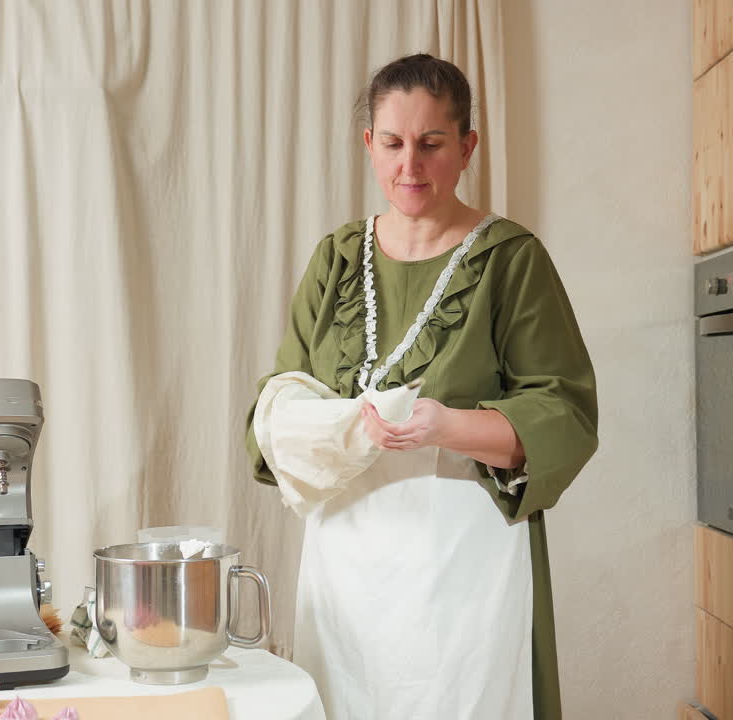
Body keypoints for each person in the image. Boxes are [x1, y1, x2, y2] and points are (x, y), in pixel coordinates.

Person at [245, 53, 597, 720]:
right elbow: (278, 403)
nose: (411, 166)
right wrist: (317, 428)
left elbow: (565, 414)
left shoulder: (510, 260)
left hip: (465, 565)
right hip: (345, 564)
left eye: (432, 144)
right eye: (394, 143)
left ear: (466, 147)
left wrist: (444, 427)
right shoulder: (337, 259)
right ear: (368, 145)